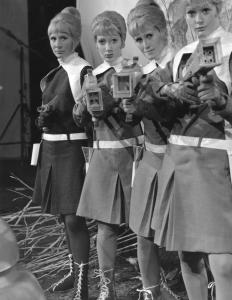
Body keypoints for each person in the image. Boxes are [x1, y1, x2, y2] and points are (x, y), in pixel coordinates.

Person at [145, 0, 232, 299]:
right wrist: (170, 91)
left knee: (222, 262)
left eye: (205, 10)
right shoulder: (181, 54)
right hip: (179, 160)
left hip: (216, 164)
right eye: (191, 12)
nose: (197, 19)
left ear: (218, 9)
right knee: (189, 257)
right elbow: (152, 96)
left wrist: (221, 102)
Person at [73, 11, 143, 300]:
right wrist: (84, 108)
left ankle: (153, 283)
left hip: (132, 155)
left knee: (143, 226)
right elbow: (81, 118)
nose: (108, 46)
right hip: (103, 158)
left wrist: (109, 98)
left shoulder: (135, 70)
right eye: (102, 41)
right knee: (105, 225)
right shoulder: (92, 75)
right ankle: (106, 288)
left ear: (122, 40)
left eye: (113, 40)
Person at [32, 7, 90, 300]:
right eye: (53, 38)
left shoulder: (82, 71)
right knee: (60, 216)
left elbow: (88, 116)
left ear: (75, 38)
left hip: (70, 149)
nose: (57, 43)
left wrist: (73, 111)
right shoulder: (52, 73)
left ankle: (83, 282)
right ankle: (72, 271)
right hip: (50, 148)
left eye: (63, 37)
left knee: (73, 218)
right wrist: (42, 117)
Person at [123, 1, 179, 299]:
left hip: (178, 160)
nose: (144, 45)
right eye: (139, 39)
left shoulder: (177, 67)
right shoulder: (139, 74)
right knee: (143, 232)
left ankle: (205, 289)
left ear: (163, 31)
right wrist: (128, 111)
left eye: (149, 37)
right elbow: (133, 121)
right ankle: (150, 291)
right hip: (150, 158)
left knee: (183, 235)